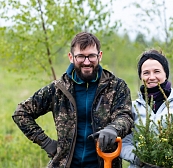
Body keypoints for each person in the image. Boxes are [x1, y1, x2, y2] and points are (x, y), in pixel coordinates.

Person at [12, 31, 133, 168]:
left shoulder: (116, 86)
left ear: (100, 55)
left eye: (91, 56)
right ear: (71, 57)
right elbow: (21, 112)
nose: (86, 62)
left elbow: (126, 116)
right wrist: (46, 142)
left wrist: (113, 129)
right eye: (81, 56)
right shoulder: (58, 89)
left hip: (105, 163)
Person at [120, 49, 173, 168]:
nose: (152, 77)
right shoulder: (133, 107)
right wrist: (139, 159)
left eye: (157, 71)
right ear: (140, 76)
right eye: (146, 73)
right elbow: (124, 143)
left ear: (166, 74)